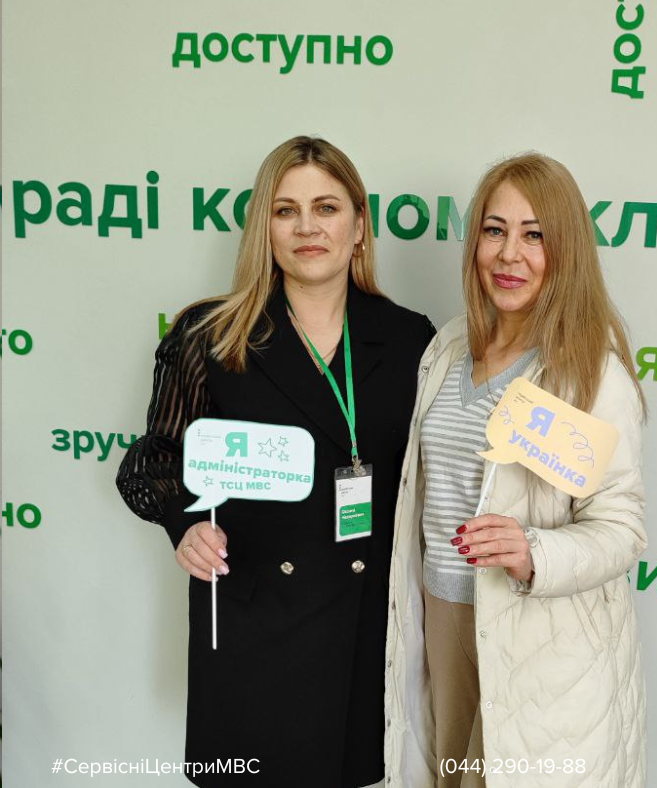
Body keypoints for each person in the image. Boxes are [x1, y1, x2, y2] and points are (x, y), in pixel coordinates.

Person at [116, 136, 435, 788]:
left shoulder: (411, 338)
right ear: (265, 227)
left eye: (326, 207)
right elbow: (151, 461)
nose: (307, 227)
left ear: (359, 225)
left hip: (364, 628)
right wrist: (185, 525)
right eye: (286, 211)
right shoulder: (210, 334)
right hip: (251, 623)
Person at [384, 153, 648, 788]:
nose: (510, 255)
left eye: (535, 235)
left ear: (567, 251)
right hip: (444, 617)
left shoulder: (591, 371)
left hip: (535, 634)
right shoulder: (449, 346)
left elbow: (622, 528)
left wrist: (535, 552)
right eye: (495, 230)